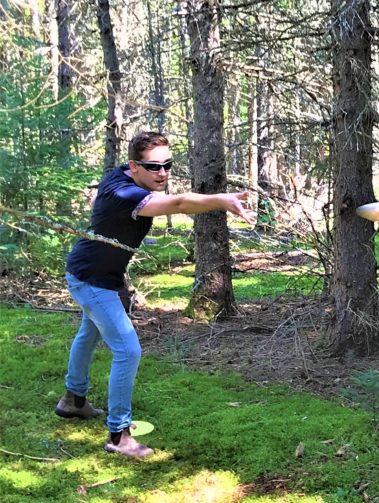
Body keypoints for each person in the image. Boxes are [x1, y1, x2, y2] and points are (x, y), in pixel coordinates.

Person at [55, 131, 253, 458]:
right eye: (153, 167)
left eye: (167, 165)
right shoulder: (125, 193)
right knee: (128, 350)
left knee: (88, 334)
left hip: (97, 274)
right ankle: (119, 435)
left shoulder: (125, 175)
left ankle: (73, 401)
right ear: (134, 166)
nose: (162, 173)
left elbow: (169, 197)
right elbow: (177, 203)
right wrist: (222, 199)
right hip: (90, 279)